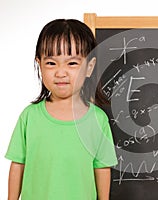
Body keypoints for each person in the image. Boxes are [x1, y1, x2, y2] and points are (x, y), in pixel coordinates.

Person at [5, 19, 118, 200]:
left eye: (72, 63)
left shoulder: (97, 119)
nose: (61, 72)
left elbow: (102, 168)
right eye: (51, 63)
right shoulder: (29, 116)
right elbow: (18, 164)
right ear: (39, 64)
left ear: (89, 67)